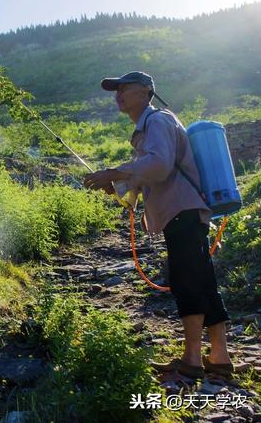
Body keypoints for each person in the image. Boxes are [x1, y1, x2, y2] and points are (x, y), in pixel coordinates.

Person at [83, 71, 235, 379]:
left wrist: (114, 171)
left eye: (124, 88)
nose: (118, 95)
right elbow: (145, 179)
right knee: (202, 280)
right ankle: (220, 357)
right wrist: (118, 187)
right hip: (183, 212)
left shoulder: (158, 122)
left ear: (145, 92)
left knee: (187, 282)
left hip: (182, 211)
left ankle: (192, 360)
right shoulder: (146, 131)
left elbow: (160, 164)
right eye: (117, 91)